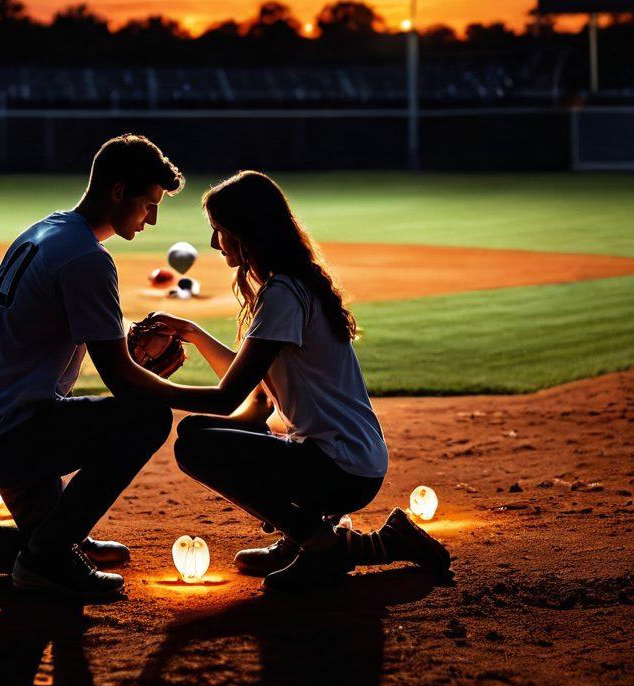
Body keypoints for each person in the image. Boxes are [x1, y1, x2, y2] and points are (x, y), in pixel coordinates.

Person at [0, 134, 184, 602]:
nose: (152, 218)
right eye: (148, 204)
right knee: (148, 418)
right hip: (13, 434)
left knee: (39, 543)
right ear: (117, 192)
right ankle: (52, 551)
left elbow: (80, 329)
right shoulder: (88, 258)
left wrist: (135, 347)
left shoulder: (49, 230)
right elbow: (120, 380)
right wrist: (195, 396)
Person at [154, 171, 452, 590]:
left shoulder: (282, 295)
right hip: (346, 460)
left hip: (339, 468)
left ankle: (317, 543)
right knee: (197, 431)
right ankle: (336, 539)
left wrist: (145, 390)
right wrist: (193, 333)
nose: (213, 243)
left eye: (218, 231)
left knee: (195, 447)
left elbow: (229, 398)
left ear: (244, 232)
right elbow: (256, 397)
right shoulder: (291, 287)